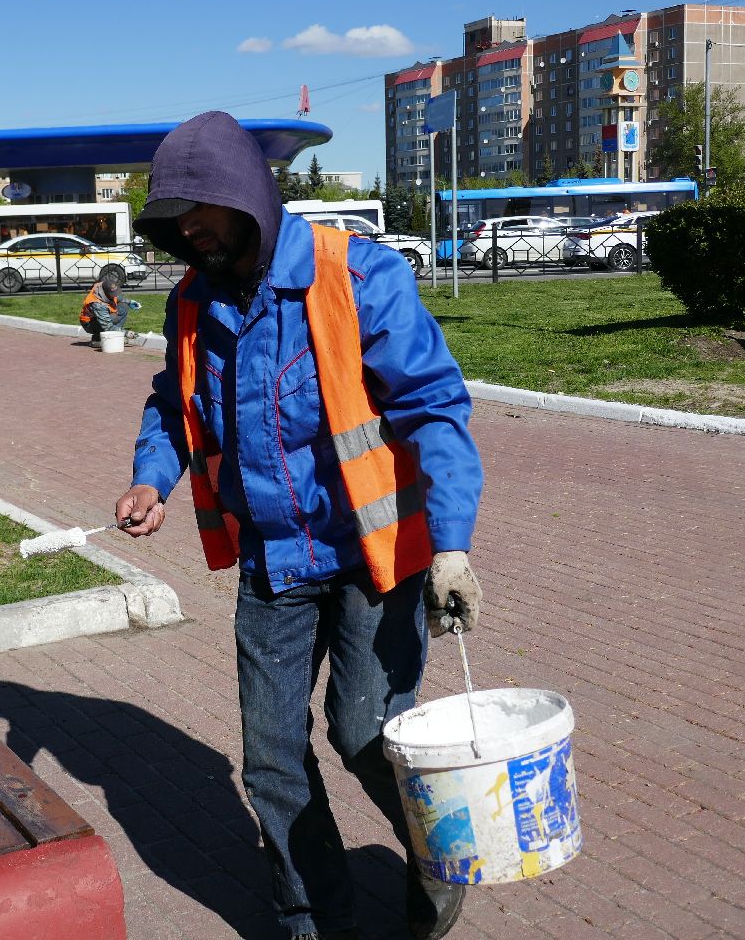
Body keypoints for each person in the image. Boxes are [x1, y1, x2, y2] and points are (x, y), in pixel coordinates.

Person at [114, 111, 485, 940]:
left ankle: (441, 853)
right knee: (273, 762)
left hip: (371, 558)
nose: (189, 229)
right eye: (175, 218)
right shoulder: (191, 303)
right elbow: (173, 407)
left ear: (248, 195)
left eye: (200, 209)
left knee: (365, 734)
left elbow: (435, 407)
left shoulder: (356, 278)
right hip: (273, 563)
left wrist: (453, 548)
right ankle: (313, 917)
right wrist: (152, 476)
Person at [78, 273, 138, 346]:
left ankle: (114, 336)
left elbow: (117, 297)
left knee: (124, 306)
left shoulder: (104, 286)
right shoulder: (97, 304)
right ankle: (98, 338)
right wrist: (126, 333)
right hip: (90, 324)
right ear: (105, 292)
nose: (115, 295)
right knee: (114, 317)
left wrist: (129, 302)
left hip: (98, 318)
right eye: (112, 294)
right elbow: (107, 326)